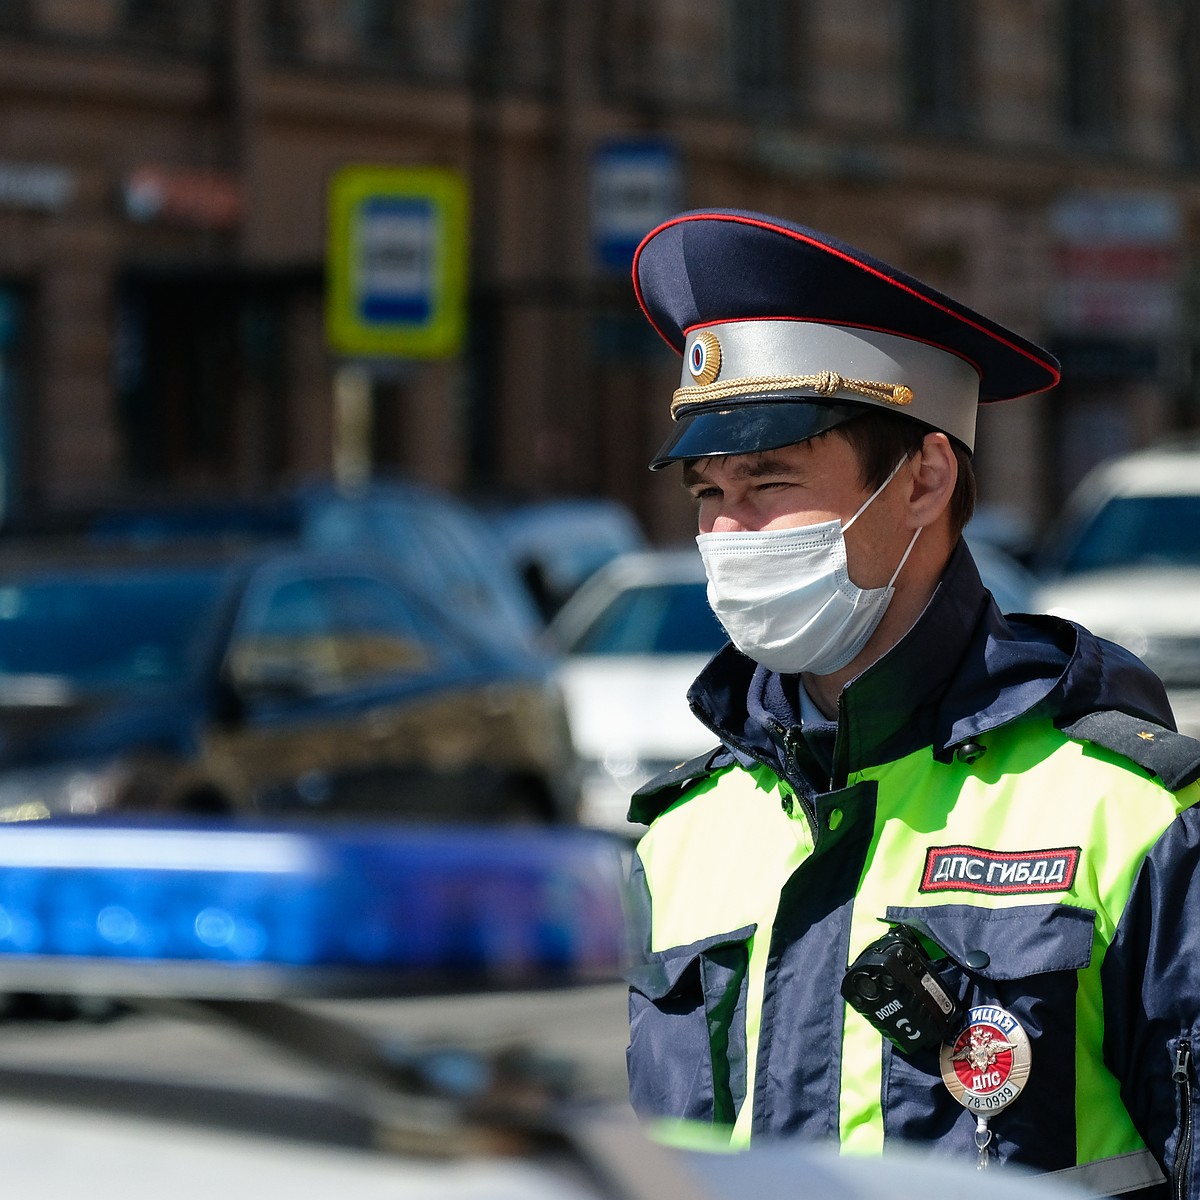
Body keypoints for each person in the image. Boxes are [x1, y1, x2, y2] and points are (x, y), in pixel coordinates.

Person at [623, 208, 1200, 1197]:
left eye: (769, 479)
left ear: (925, 477)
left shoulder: (1126, 812)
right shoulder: (681, 836)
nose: (731, 531)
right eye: (709, 493)